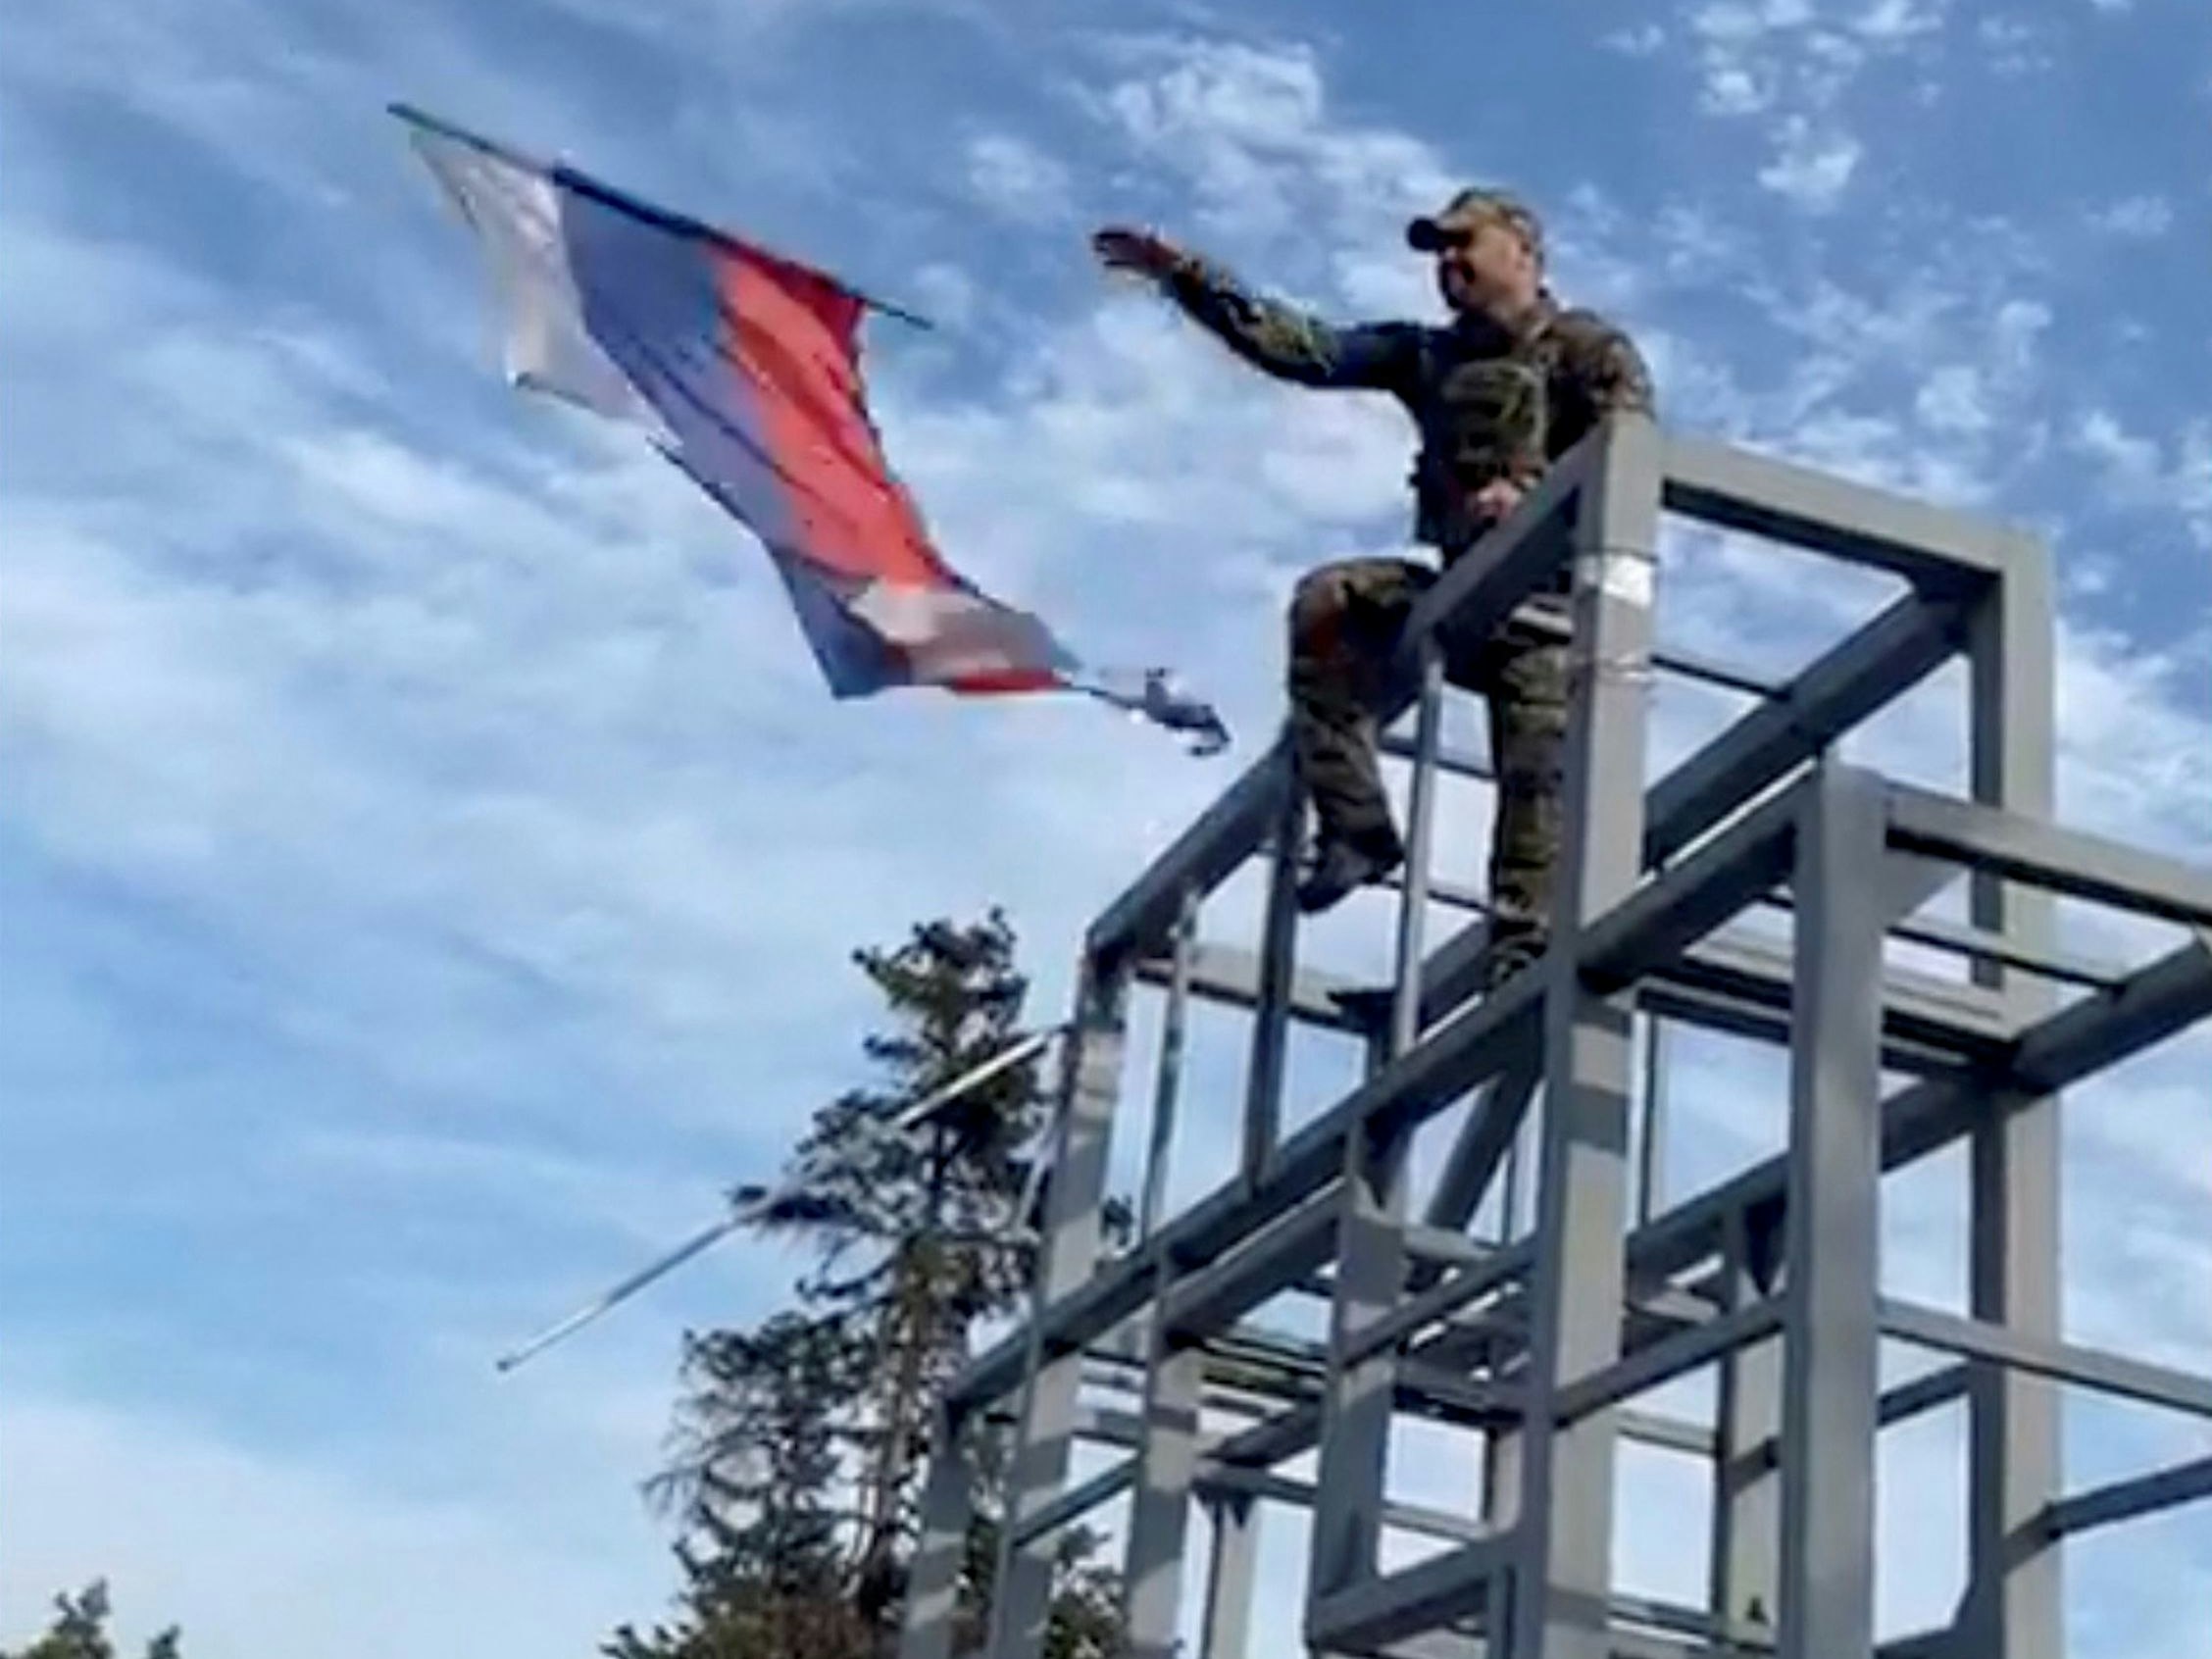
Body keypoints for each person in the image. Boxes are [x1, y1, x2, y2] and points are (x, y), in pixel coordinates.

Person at [1092, 187, 1655, 988]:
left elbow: (1634, 456)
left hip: (1554, 612)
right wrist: (1186, 276)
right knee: (1331, 603)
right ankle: (1357, 826)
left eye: (1465, 243)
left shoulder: (1588, 350)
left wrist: (1537, 497)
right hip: (1463, 595)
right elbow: (1305, 350)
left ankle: (1522, 959)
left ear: (1525, 253)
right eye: (1439, 251)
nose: (1449, 262)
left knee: (1536, 786)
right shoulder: (1424, 354)